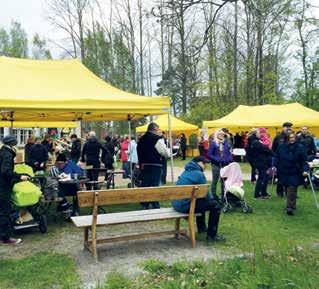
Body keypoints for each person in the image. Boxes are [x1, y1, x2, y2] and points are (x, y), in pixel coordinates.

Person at [172, 156, 225, 242]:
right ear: (198, 163)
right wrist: (214, 201)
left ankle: (202, 228)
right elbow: (207, 194)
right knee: (215, 206)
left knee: (200, 200)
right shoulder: (199, 174)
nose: (205, 166)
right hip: (185, 206)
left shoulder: (185, 171)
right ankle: (212, 236)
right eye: (204, 163)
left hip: (177, 204)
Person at [0, 135, 29, 245]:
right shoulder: (7, 154)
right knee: (4, 211)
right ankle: (5, 238)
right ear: (13, 144)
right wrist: (19, 176)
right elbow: (5, 171)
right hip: (3, 186)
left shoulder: (2, 151)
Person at [137, 122, 171, 209]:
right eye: (158, 130)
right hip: (155, 165)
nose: (158, 132)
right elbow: (165, 152)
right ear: (155, 130)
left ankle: (144, 204)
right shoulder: (157, 138)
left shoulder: (141, 139)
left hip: (144, 165)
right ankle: (155, 205)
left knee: (145, 185)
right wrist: (169, 152)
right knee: (155, 186)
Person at [274, 132, 309, 215]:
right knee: (288, 188)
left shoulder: (300, 147)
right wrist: (274, 166)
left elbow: (304, 160)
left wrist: (305, 169)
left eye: (293, 137)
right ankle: (292, 205)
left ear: (296, 138)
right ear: (287, 138)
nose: (291, 139)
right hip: (284, 171)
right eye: (290, 137)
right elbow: (276, 157)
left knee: (292, 187)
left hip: (295, 171)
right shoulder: (281, 147)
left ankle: (289, 207)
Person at [247, 129, 274, 199]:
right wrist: (272, 153)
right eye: (259, 133)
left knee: (265, 177)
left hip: (263, 161)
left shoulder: (257, 141)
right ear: (255, 134)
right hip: (260, 162)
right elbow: (264, 149)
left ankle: (263, 193)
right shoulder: (255, 142)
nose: (260, 134)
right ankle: (257, 195)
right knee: (261, 178)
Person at [208, 129, 232, 200]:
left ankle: (223, 196)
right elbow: (209, 154)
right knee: (215, 180)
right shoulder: (213, 143)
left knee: (223, 181)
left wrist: (229, 159)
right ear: (217, 135)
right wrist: (216, 159)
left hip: (225, 164)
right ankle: (213, 196)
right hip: (216, 164)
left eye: (223, 134)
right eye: (220, 134)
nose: (222, 135)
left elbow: (229, 153)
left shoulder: (226, 143)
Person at [272, 122, 293, 197]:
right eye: (287, 127)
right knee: (280, 177)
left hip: (291, 161)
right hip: (280, 161)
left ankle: (289, 193)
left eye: (290, 127)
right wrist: (275, 159)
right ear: (283, 128)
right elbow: (273, 149)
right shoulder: (278, 137)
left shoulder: (293, 137)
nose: (289, 128)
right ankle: (279, 192)